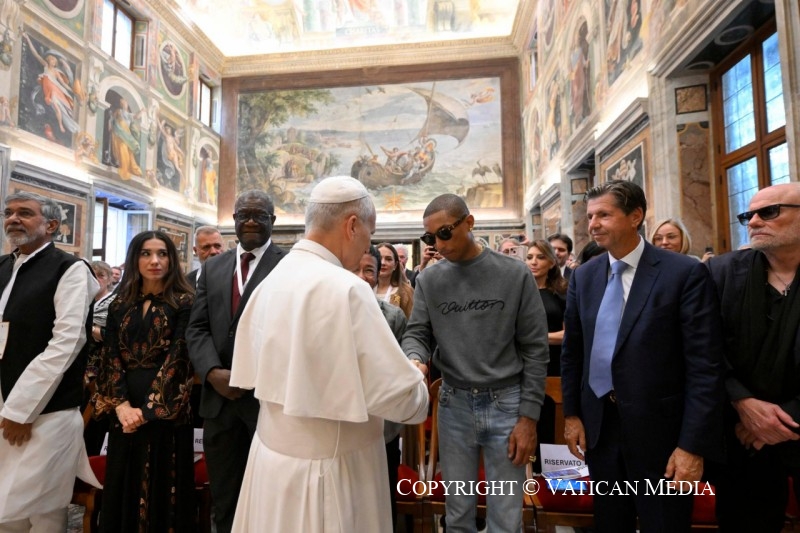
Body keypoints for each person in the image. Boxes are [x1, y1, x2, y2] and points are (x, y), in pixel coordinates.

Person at [229, 176, 428, 532]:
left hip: (270, 464)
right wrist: (417, 376)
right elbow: (400, 399)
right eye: (368, 237)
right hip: (332, 471)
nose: (366, 248)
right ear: (352, 225)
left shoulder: (269, 282)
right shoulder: (348, 289)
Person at [561, 180, 725, 532]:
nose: (593, 224)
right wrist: (572, 414)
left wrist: (691, 445)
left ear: (635, 216)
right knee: (610, 523)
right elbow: (574, 352)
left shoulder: (683, 273)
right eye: (590, 216)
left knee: (663, 524)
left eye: (604, 214)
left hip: (662, 434)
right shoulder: (585, 277)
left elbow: (704, 366)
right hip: (601, 428)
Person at [402, 193, 549, 532]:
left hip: (507, 403)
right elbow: (417, 333)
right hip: (455, 404)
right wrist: (415, 359)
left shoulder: (514, 274)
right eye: (429, 237)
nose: (438, 243)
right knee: (457, 515)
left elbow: (536, 349)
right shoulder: (430, 280)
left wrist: (528, 417)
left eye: (445, 232)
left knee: (506, 517)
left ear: (469, 223)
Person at [186, 190, 285, 533]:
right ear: (234, 221)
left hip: (266, 399)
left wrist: (253, 375)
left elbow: (291, 331)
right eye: (244, 215)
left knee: (270, 496)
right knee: (224, 497)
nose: (251, 221)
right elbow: (197, 328)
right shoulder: (213, 268)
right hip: (219, 400)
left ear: (273, 221)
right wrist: (212, 372)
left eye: (260, 215)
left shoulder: (288, 266)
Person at [0, 191, 99, 531]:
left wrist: (21, 409)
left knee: (42, 510)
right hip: (4, 404)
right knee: (7, 512)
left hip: (47, 412)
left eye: (25, 213)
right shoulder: (3, 266)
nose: (13, 218)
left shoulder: (70, 270)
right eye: (9, 212)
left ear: (52, 225)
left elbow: (66, 344)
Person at [705, 183, 800, 532]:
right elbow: (704, 349)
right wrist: (743, 403)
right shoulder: (721, 273)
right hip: (741, 437)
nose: (754, 221)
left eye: (769, 212)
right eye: (749, 215)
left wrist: (783, 420)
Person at [92, 231, 196, 532]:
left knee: (164, 487)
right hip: (124, 407)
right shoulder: (119, 303)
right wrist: (122, 405)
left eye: (162, 254)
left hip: (166, 409)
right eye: (146, 253)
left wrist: (148, 410)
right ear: (134, 258)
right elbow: (109, 355)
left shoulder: (184, 302)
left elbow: (180, 357)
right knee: (122, 482)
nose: (154, 261)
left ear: (172, 259)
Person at [353, 245, 409, 530]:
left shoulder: (393, 316)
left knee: (383, 495)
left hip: (381, 426)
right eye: (356, 270)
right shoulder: (327, 311)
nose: (362, 277)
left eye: (369, 271)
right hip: (344, 422)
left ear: (377, 277)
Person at [83, 260, 117, 455]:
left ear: (109, 279)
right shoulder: (84, 300)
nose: (96, 280)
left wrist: (90, 328)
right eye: (92, 275)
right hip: (84, 362)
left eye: (101, 275)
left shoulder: (113, 302)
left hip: (102, 367)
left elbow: (110, 334)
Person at [526, 239, 567, 377]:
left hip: (554, 362)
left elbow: (569, 334)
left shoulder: (562, 292)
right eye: (529, 257)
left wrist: (534, 338)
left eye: (541, 257)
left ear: (552, 263)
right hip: (523, 363)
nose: (533, 262)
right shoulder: (517, 293)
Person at [375, 242, 414, 318]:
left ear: (395, 265)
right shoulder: (365, 288)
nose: (383, 263)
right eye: (379, 258)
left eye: (388, 259)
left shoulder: (406, 291)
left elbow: (412, 322)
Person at [108, 97, 144, 180]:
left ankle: (127, 168)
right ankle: (122, 166)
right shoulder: (118, 111)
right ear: (121, 104)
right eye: (123, 102)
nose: (125, 104)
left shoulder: (129, 114)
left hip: (127, 134)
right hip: (120, 133)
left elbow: (136, 116)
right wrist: (110, 125)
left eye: (125, 102)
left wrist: (142, 112)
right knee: (122, 148)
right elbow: (112, 120)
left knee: (128, 152)